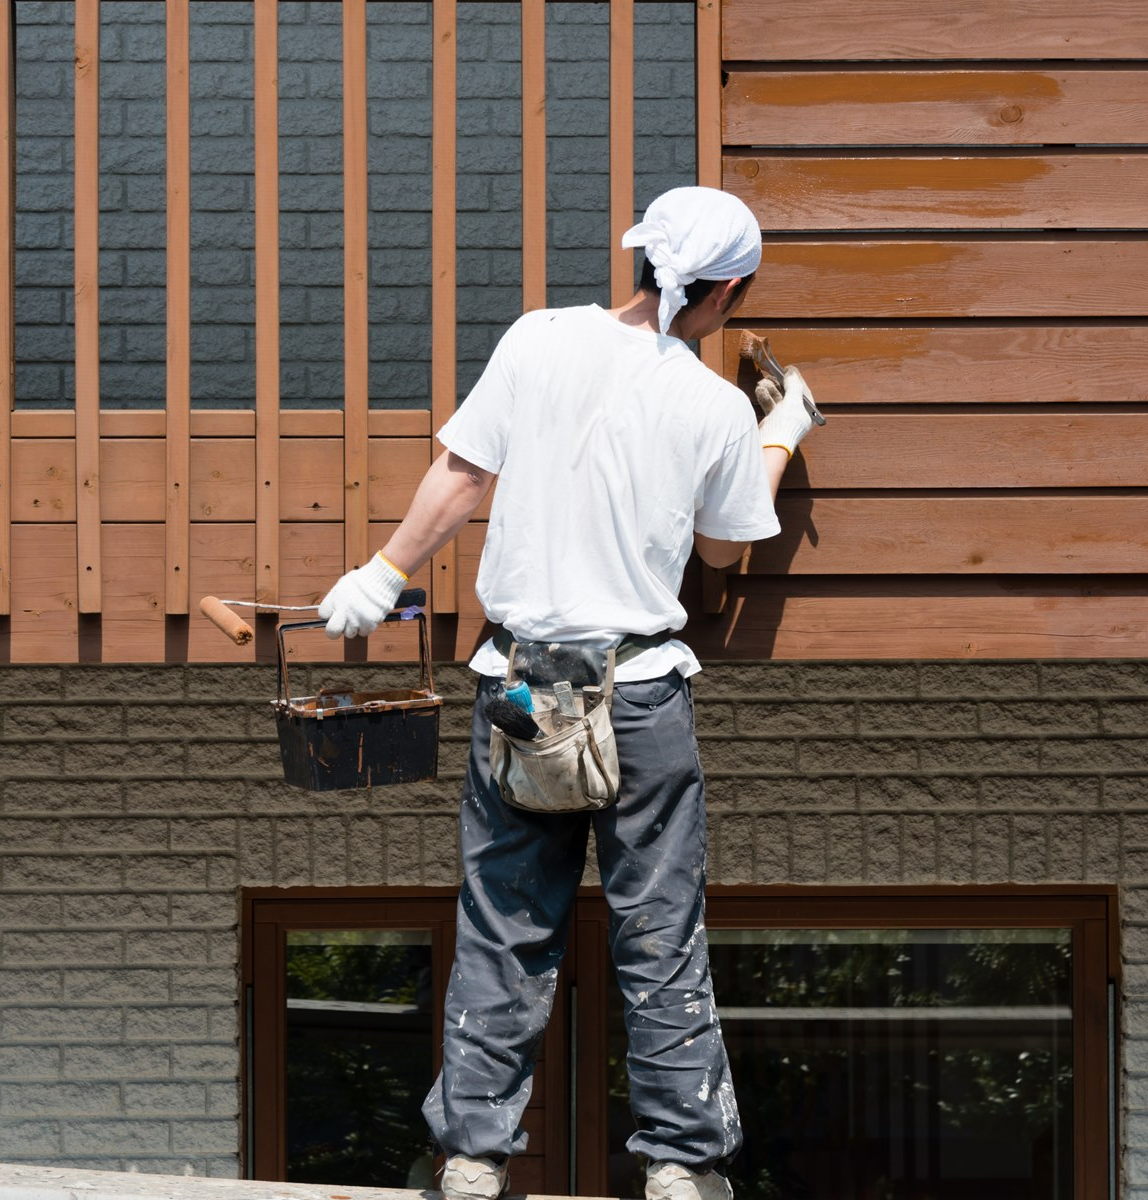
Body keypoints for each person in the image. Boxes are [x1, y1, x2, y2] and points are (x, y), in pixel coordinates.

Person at [315, 186, 819, 1200]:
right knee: (657, 930)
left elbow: (461, 476)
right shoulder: (716, 406)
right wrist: (782, 432)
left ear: (639, 258)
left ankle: (472, 1156)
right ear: (727, 292)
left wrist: (383, 573)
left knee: (507, 922)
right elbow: (725, 545)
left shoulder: (538, 341)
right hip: (638, 695)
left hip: (520, 689)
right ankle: (680, 1165)